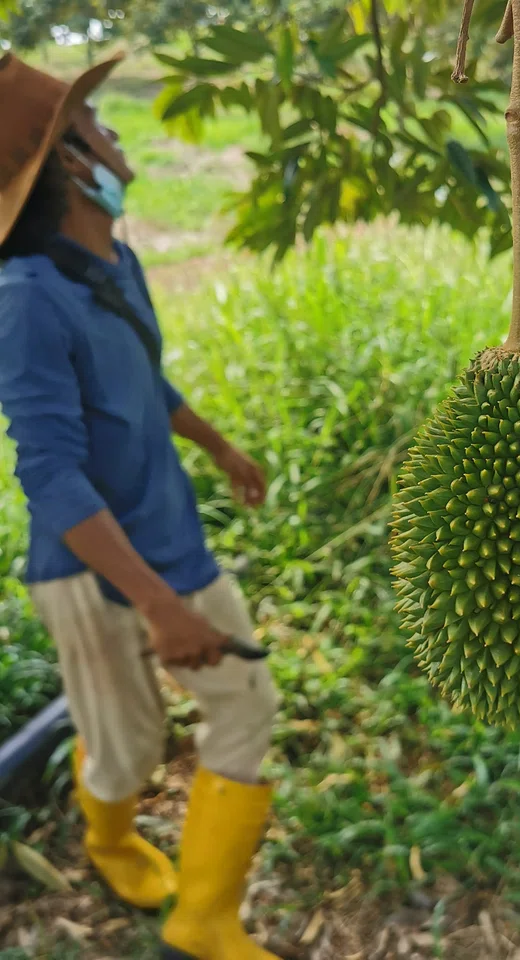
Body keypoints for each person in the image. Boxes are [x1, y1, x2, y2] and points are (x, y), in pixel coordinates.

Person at [0, 53, 281, 960]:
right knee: (125, 744)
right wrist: (154, 605)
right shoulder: (26, 300)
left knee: (243, 702)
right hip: (89, 571)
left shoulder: (111, 263)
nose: (116, 136)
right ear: (72, 166)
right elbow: (52, 476)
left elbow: (142, 380)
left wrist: (214, 442)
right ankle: (111, 838)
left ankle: (203, 921)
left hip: (172, 539)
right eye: (95, 123)